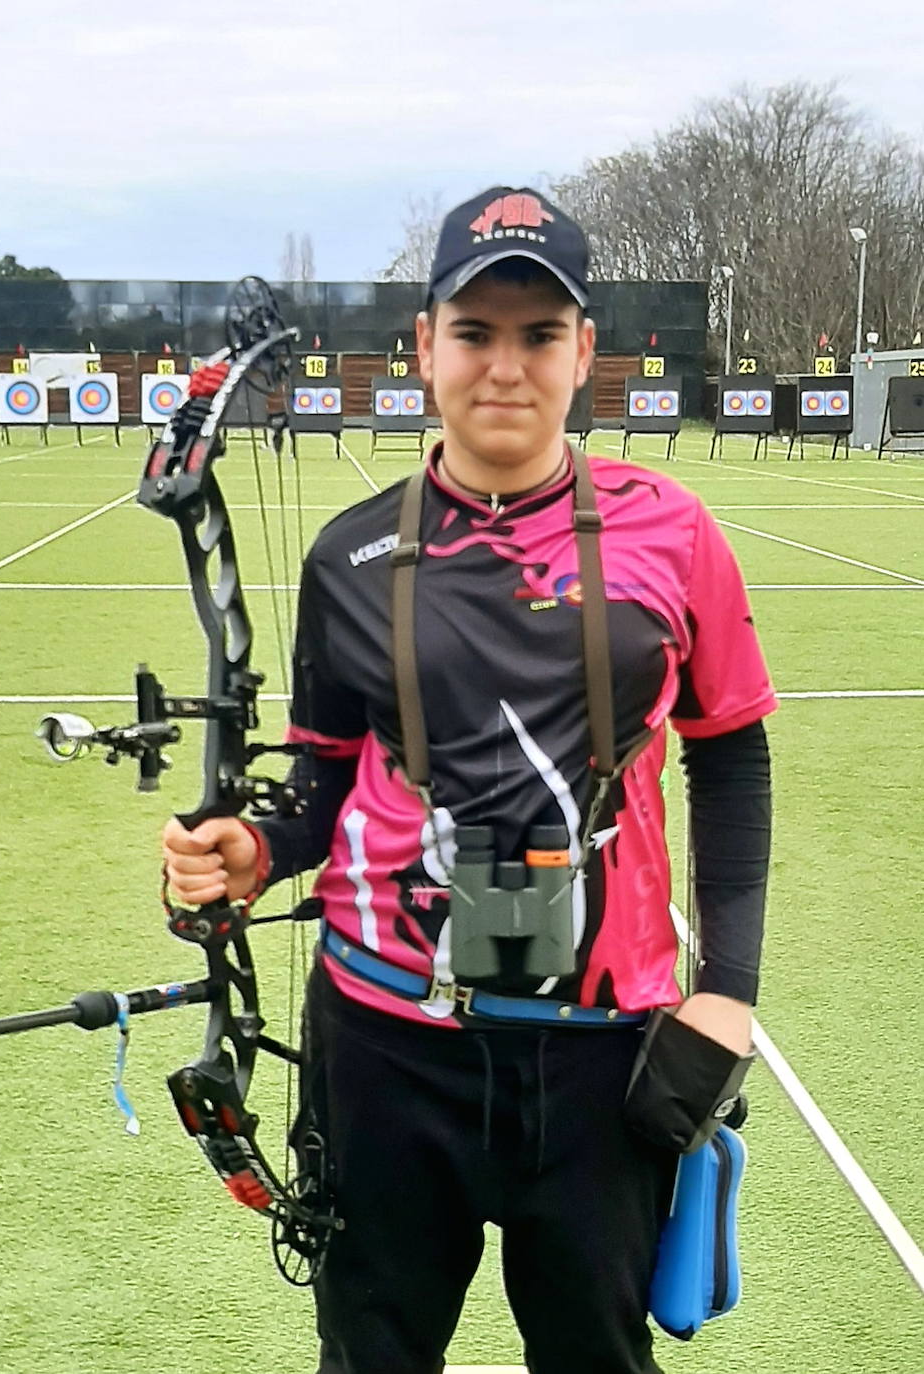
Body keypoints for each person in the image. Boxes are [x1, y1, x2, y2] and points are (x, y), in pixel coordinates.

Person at [162, 186, 775, 1374]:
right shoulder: (351, 553)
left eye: (540, 334)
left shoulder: (675, 531)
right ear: (426, 348)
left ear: (586, 352)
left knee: (598, 1356)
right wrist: (257, 846)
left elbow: (732, 749)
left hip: (604, 1048)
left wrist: (730, 987)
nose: (507, 366)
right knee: (374, 1354)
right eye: (475, 331)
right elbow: (328, 773)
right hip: (386, 1045)